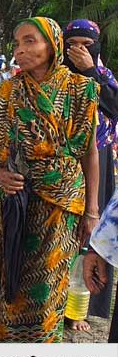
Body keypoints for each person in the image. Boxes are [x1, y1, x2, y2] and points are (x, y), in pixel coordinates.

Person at [0, 16, 100, 342]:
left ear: (52, 45)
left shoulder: (81, 90)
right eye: (17, 43)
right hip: (8, 204)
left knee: (45, 293)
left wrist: (92, 211)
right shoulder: (9, 91)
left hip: (58, 206)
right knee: (1, 289)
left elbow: (89, 152)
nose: (21, 50)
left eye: (30, 41)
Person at [62, 19, 118, 334]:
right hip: (66, 163)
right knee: (64, 233)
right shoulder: (57, 75)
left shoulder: (104, 75)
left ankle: (78, 309)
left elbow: (115, 105)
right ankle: (55, 302)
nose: (81, 50)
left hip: (99, 160)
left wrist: (92, 73)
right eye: (74, 45)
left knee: (92, 236)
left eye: (87, 44)